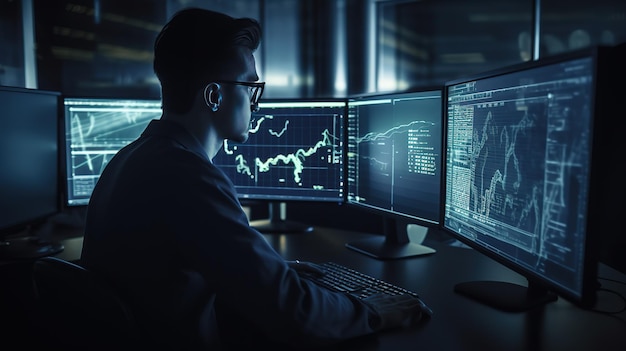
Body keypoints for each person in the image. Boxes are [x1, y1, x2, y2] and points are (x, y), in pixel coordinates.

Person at [81, 7, 426, 350]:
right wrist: (370, 311)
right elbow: (292, 311)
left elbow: (174, 269)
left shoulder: (132, 157)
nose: (255, 103)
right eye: (249, 86)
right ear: (214, 96)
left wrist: (269, 271)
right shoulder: (190, 177)